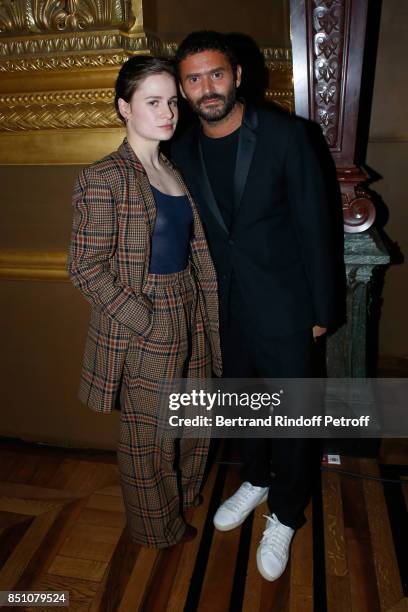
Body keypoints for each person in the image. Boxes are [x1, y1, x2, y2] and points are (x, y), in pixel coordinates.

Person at [172, 31, 334, 580]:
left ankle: (287, 513)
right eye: (193, 78)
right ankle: (256, 479)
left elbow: (317, 226)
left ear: (237, 75)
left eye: (215, 74)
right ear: (183, 87)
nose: (206, 87)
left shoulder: (288, 136)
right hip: (222, 308)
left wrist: (320, 310)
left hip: (287, 305)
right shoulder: (181, 148)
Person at [68, 55, 221, 549]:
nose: (168, 111)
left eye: (172, 101)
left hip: (190, 307)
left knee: (197, 419)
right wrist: (147, 322)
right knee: (149, 438)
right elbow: (86, 268)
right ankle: (157, 529)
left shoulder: (173, 169)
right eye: (153, 101)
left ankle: (185, 497)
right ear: (123, 108)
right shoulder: (104, 177)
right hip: (147, 313)